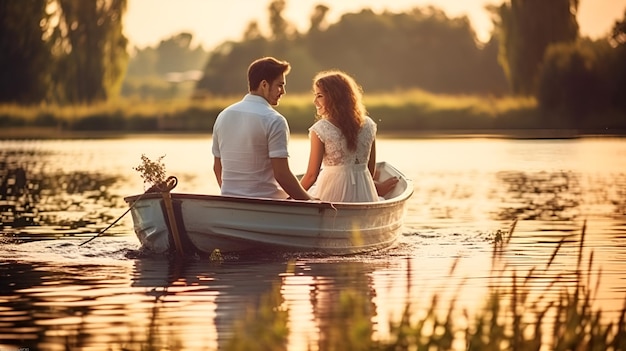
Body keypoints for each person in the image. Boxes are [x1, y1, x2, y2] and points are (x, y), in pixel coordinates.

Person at [212, 57, 314, 200]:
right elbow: (282, 175)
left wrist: (232, 195)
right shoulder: (274, 120)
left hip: (230, 200)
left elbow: (217, 168)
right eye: (280, 85)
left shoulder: (223, 116)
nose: (283, 91)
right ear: (264, 85)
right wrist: (310, 200)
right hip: (268, 204)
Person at [300, 70, 398, 202]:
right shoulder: (369, 125)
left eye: (319, 96)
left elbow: (312, 176)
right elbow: (370, 170)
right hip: (364, 193)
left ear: (335, 97)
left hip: (331, 194)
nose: (314, 101)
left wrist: (289, 198)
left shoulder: (320, 129)